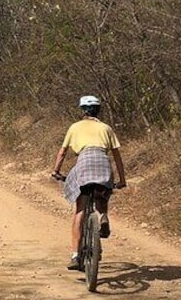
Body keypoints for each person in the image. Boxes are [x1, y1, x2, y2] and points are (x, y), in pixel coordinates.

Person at [51, 95, 127, 270]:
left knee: (79, 210)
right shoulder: (106, 128)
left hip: (85, 162)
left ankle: (76, 256)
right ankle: (103, 217)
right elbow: (117, 157)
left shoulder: (74, 127)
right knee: (102, 195)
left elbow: (62, 153)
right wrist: (122, 180)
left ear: (82, 111)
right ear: (98, 111)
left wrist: (56, 171)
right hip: (103, 163)